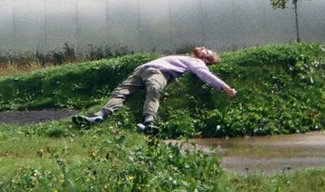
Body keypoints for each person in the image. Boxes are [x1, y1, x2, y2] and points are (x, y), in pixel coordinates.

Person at [72, 46, 237, 133]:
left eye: (205, 50)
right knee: (120, 92)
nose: (201, 47)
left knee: (153, 90)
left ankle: (149, 122)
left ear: (206, 58)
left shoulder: (198, 63)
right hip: (142, 70)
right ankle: (99, 116)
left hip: (158, 72)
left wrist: (225, 88)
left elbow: (205, 75)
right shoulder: (188, 58)